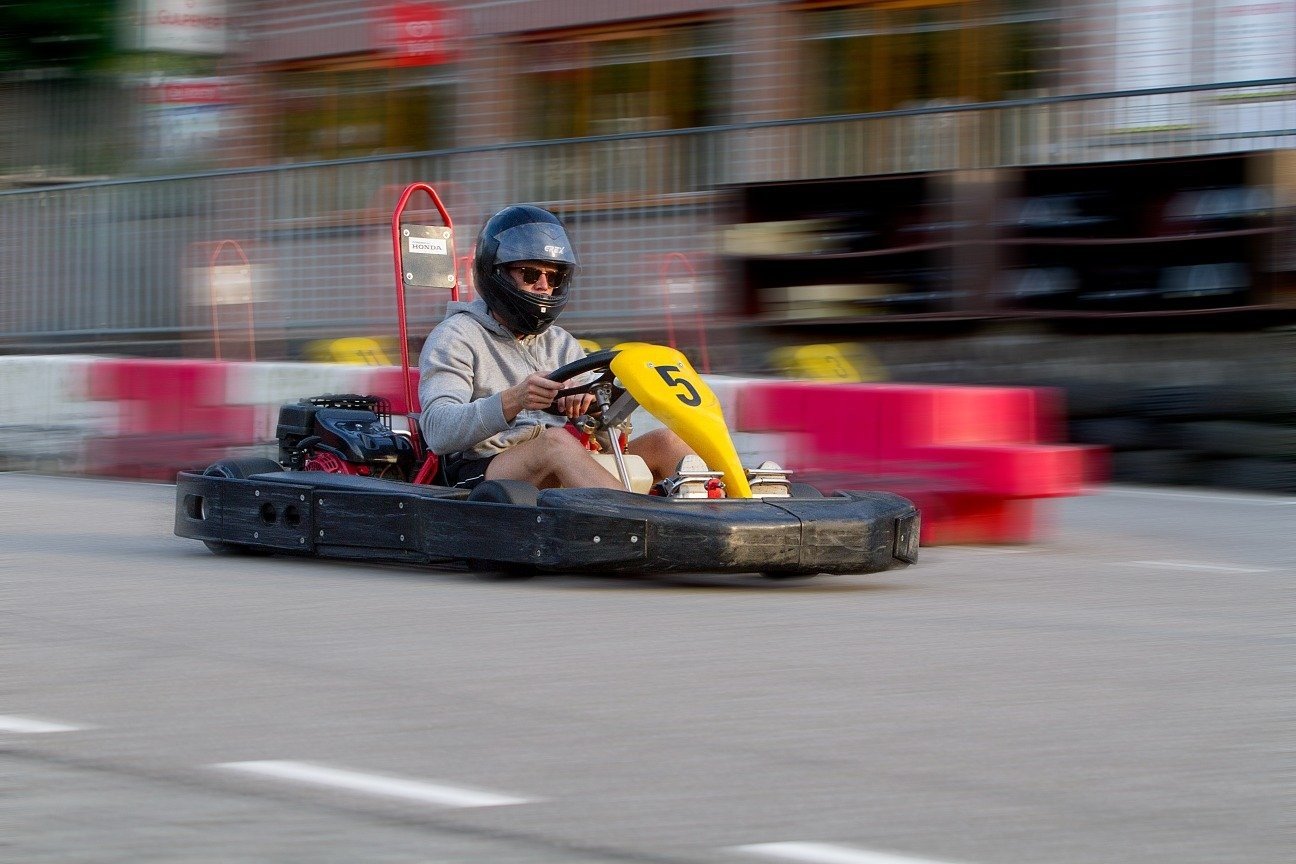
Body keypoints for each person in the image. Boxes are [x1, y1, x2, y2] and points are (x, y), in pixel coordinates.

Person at [417, 204, 695, 491]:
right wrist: (514, 399)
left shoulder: (560, 343)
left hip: (564, 458)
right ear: (496, 273)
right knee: (555, 443)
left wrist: (593, 410)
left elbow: (600, 435)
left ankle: (728, 517)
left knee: (666, 441)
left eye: (554, 277)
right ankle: (632, 524)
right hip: (485, 468)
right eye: (529, 274)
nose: (543, 286)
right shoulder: (457, 336)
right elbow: (438, 430)